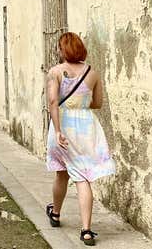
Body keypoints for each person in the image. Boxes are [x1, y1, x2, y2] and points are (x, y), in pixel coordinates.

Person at [45, 32, 115, 246]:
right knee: (83, 175)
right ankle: (83, 228)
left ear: (62, 50)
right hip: (86, 127)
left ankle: (59, 215)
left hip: (63, 124)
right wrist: (81, 104)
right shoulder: (93, 73)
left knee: (62, 172)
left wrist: (57, 131)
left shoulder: (55, 72)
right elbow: (98, 103)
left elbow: (53, 102)